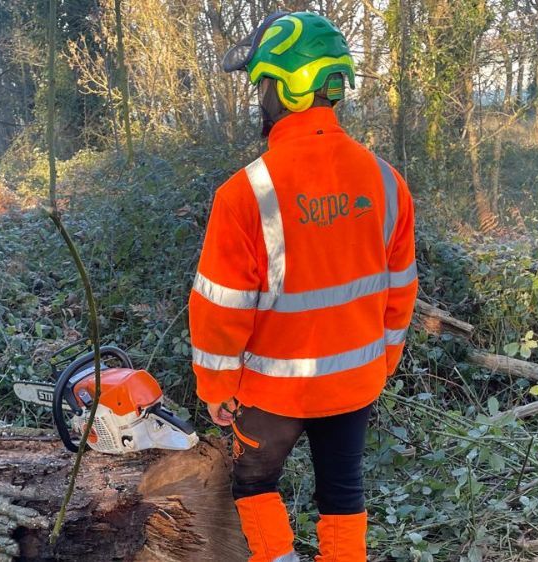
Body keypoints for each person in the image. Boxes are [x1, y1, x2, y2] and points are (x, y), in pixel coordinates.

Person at [188, 11, 418, 562]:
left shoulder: (245, 193)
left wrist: (216, 387)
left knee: (253, 484)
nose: (259, 98)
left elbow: (221, 308)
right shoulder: (387, 182)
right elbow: (400, 292)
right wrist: (382, 362)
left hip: (270, 391)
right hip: (355, 382)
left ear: (285, 88)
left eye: (262, 84)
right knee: (343, 491)